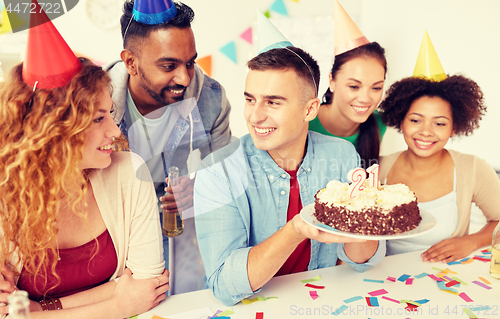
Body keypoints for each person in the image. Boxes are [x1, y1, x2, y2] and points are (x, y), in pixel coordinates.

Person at [194, 46, 385, 306]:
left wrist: (361, 225)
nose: (255, 115)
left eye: (273, 102)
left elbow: (362, 262)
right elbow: (224, 285)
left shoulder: (342, 156)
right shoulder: (218, 171)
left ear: (310, 110)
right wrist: (295, 230)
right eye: (250, 100)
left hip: (322, 303)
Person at [0, 53, 169, 317]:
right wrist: (117, 305)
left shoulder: (129, 173)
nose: (115, 131)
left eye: (110, 114)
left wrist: (38, 310)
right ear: (54, 129)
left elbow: (148, 285)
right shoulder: (5, 195)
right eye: (98, 118)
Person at [106, 0, 232, 293]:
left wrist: (201, 187)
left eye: (190, 62)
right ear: (130, 63)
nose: (185, 78)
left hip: (183, 237)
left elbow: (225, 175)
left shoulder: (210, 98)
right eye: (169, 65)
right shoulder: (96, 104)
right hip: (120, 239)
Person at [378, 74, 500, 262]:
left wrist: (471, 242)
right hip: (380, 283)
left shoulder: (473, 168)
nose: (426, 131)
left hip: (445, 279)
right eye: (415, 120)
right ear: (401, 121)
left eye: (440, 123)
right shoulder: (379, 168)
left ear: (453, 128)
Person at [309, 1, 387, 168]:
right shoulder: (305, 122)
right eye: (354, 86)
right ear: (332, 81)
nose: (365, 98)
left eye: (376, 87)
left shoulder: (380, 123)